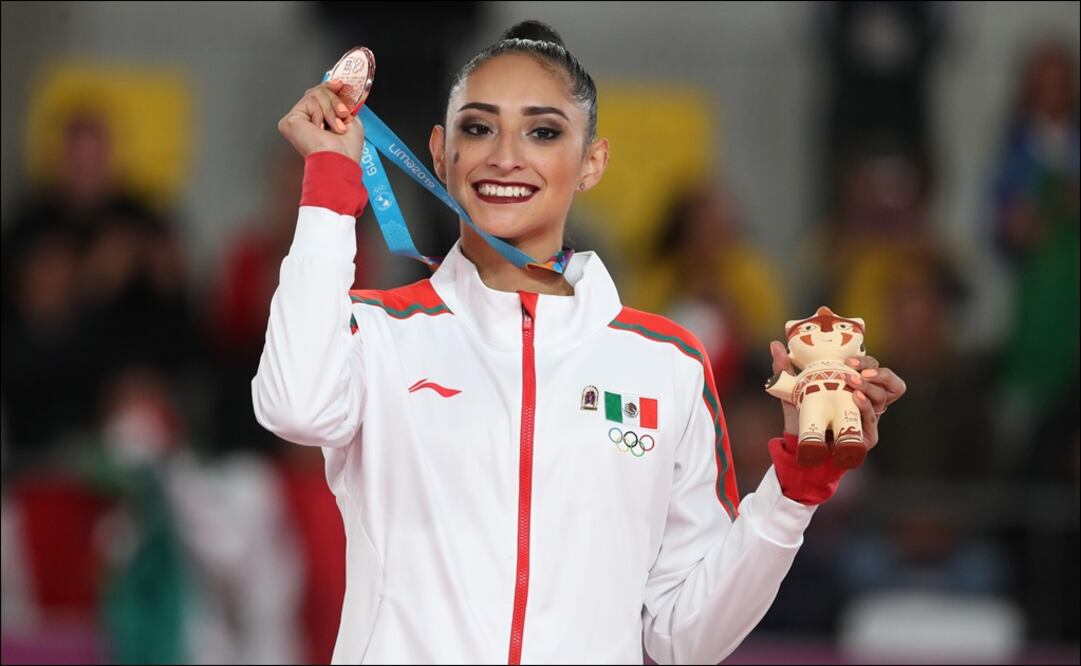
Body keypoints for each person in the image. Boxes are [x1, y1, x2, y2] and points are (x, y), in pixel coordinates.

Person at [252, 21, 906, 664]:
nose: (505, 154)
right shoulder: (377, 332)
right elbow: (294, 407)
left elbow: (682, 636)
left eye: (542, 131)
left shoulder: (665, 365)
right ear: (438, 152)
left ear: (591, 161)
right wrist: (331, 188)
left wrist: (793, 491)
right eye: (478, 127)